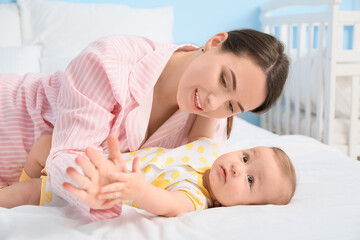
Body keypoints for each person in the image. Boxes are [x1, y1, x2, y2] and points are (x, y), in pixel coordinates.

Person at [0, 29, 289, 220]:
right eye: (224, 80)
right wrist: (97, 187)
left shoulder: (211, 128)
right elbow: (64, 154)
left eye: (232, 107)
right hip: (10, 116)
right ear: (214, 42)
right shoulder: (110, 62)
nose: (213, 103)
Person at [0, 117, 296, 218]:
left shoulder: (195, 197)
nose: (237, 170)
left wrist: (140, 190)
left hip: (88, 187)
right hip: (94, 160)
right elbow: (206, 115)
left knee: (28, 193)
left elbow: (166, 204)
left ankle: (15, 193)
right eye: (245, 158)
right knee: (45, 144)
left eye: (250, 181)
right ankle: (19, 181)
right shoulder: (208, 150)